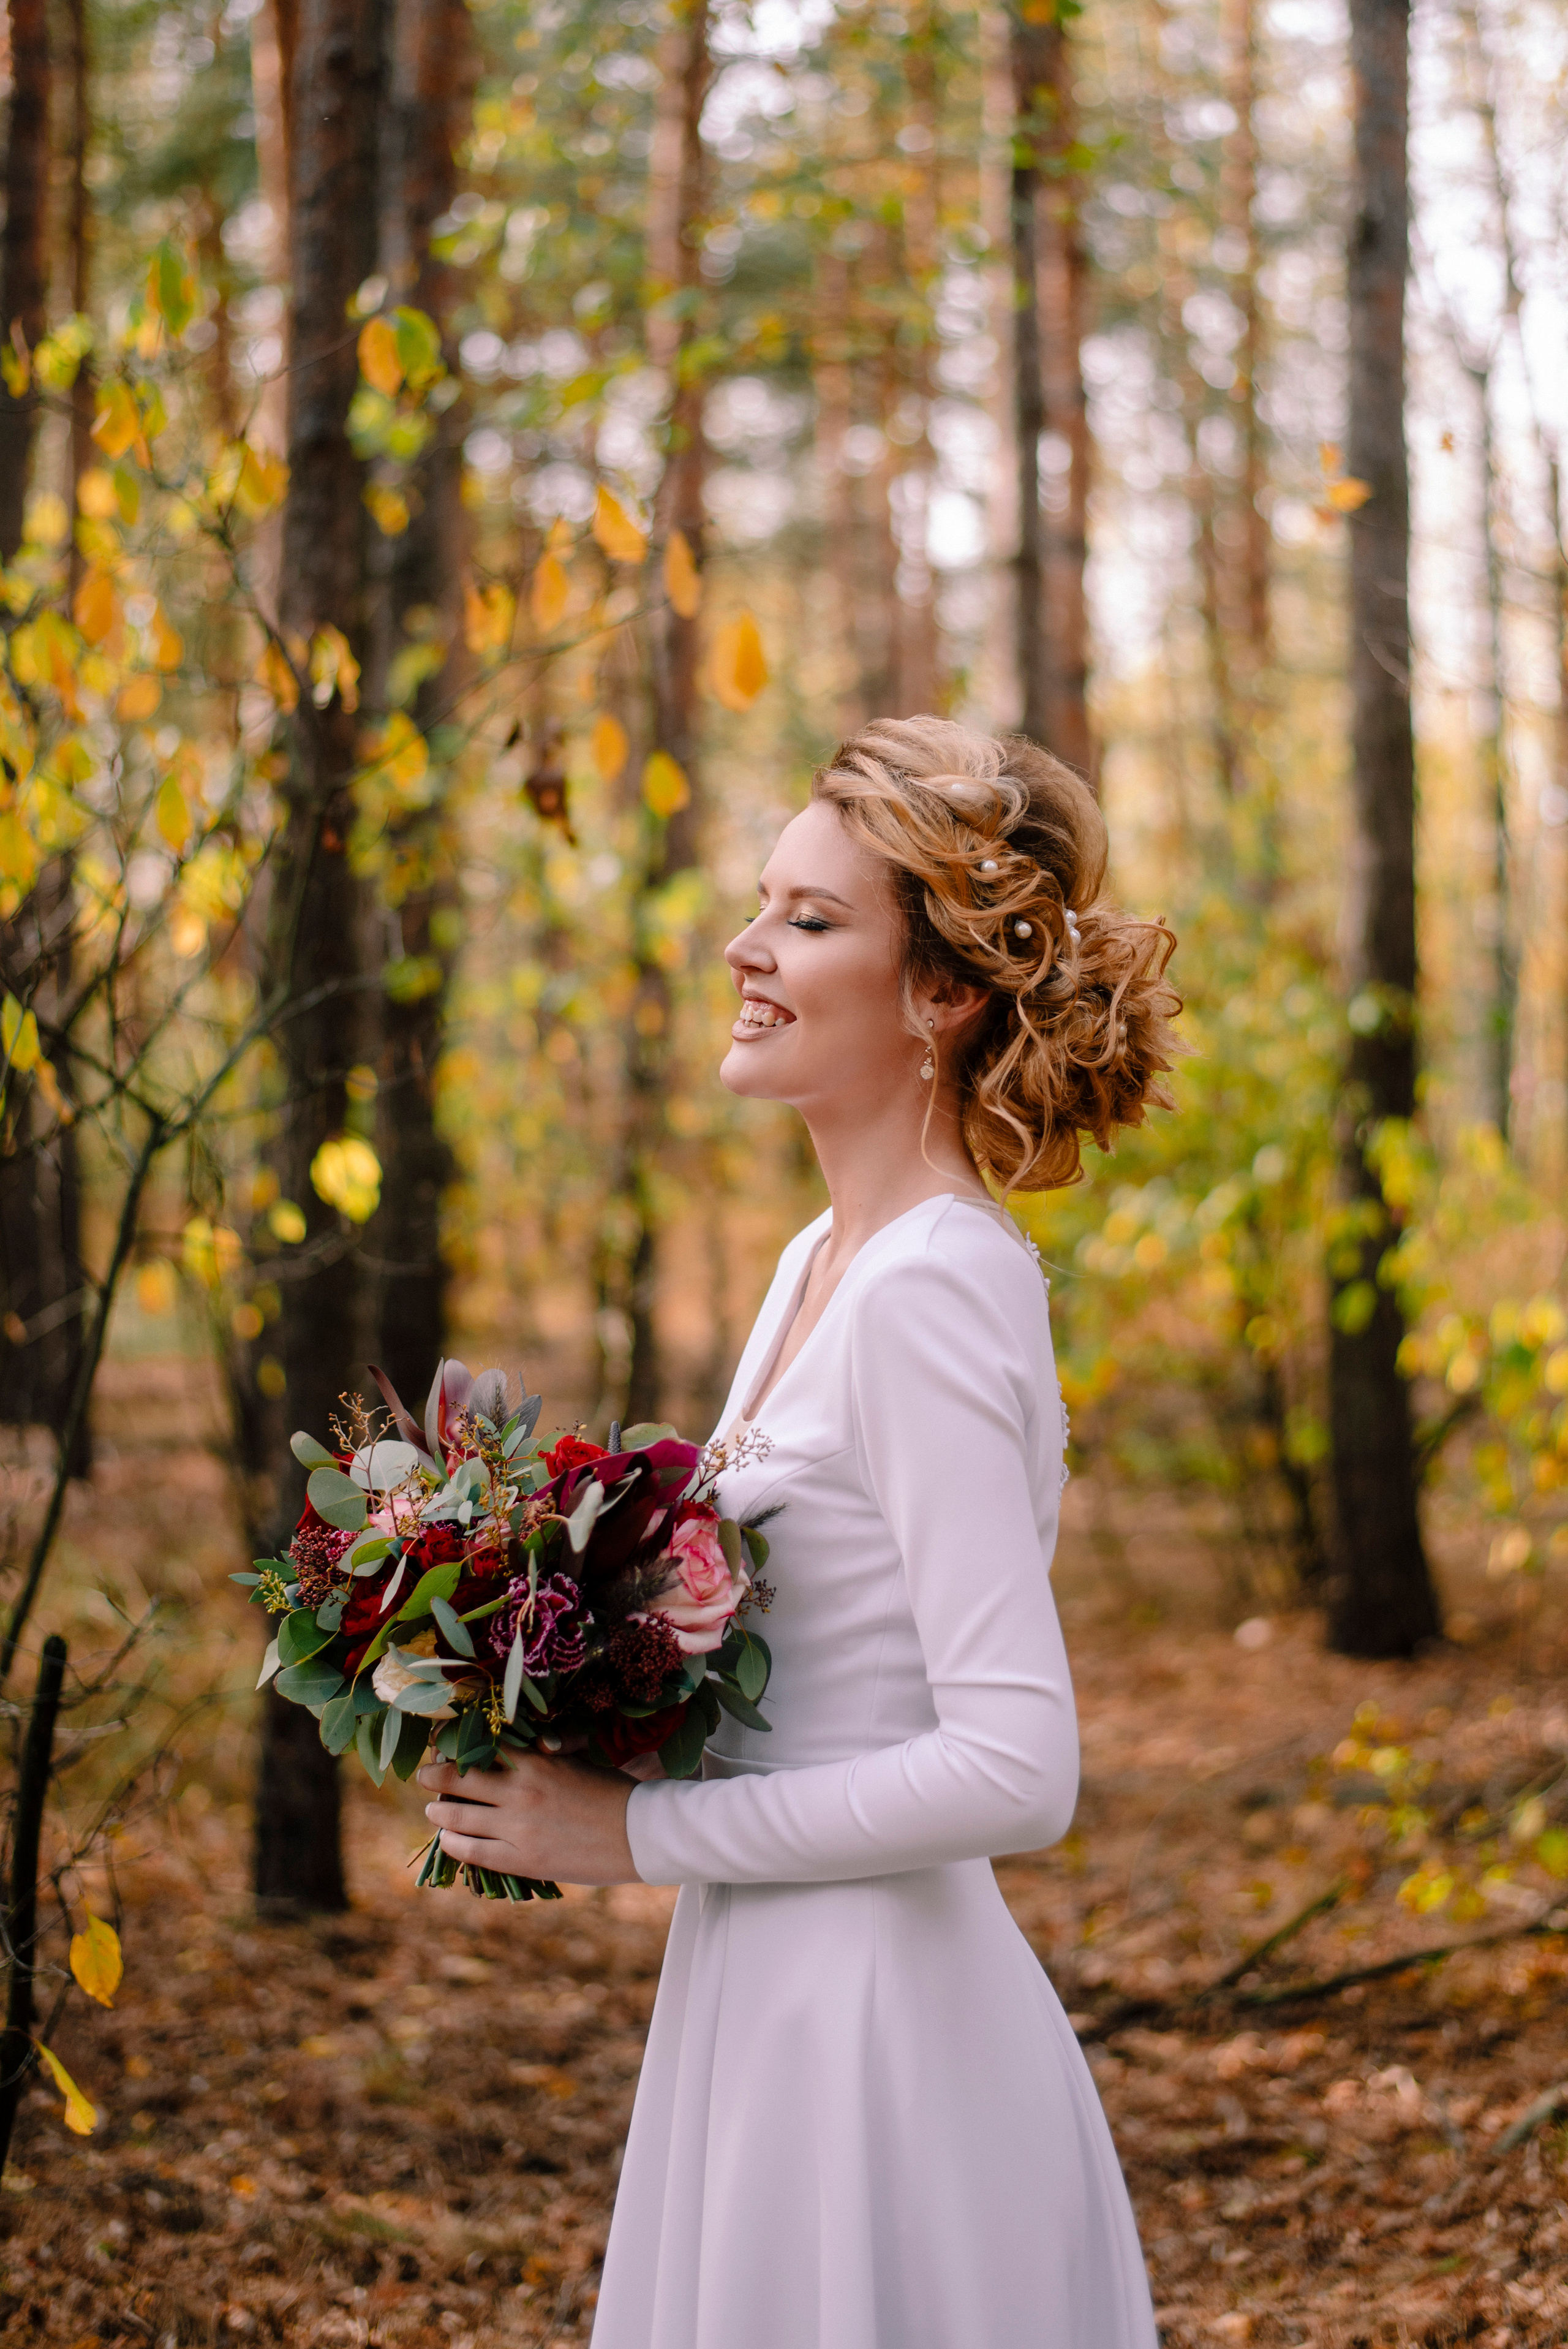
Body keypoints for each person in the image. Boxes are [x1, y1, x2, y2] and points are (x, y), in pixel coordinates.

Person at [418, 716, 1182, 2348]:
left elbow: (1016, 1764)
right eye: (764, 903)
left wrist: (625, 1840)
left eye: (809, 918)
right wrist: (544, 1690)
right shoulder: (809, 1266)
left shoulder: (935, 1288)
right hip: (757, 1995)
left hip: (884, 2044)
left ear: (943, 994)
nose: (743, 947)